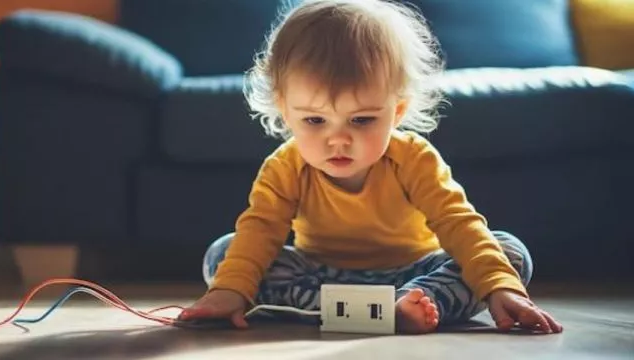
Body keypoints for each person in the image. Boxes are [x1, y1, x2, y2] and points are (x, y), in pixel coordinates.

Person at [178, 0, 563, 334]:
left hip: (413, 275)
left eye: (361, 120)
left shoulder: (413, 157)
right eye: (315, 121)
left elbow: (458, 222)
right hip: (319, 275)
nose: (339, 139)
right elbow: (260, 231)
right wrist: (229, 291)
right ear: (285, 109)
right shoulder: (284, 167)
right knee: (224, 256)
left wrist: (501, 287)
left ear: (396, 112)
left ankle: (398, 307)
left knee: (509, 254)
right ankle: (376, 312)